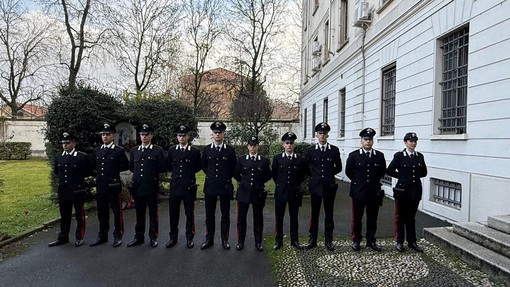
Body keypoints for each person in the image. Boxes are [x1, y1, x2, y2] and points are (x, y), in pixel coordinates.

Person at [345, 128, 387, 251]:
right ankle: (356, 240)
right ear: (361, 141)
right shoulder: (354, 156)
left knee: (372, 218)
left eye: (370, 139)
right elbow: (349, 172)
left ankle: (371, 240)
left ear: (373, 141)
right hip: (359, 192)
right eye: (365, 139)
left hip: (373, 192)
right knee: (357, 218)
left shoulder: (379, 156)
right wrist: (359, 183)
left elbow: (382, 172)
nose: (368, 141)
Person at [127, 124, 167, 248]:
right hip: (138, 186)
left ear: (151, 136)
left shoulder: (157, 150)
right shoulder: (134, 151)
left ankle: (153, 237)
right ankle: (138, 236)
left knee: (153, 213)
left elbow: (162, 167)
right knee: (139, 213)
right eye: (142, 135)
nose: (144, 137)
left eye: (146, 134)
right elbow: (132, 167)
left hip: (151, 186)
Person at [387, 132, 428, 253]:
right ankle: (400, 241)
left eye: (415, 141)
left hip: (415, 191)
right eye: (410, 141)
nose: (413, 143)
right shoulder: (399, 155)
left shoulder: (419, 156)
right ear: (405, 142)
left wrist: (411, 177)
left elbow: (424, 172)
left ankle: (412, 241)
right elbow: (389, 170)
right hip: (402, 191)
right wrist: (402, 177)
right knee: (400, 217)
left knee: (411, 218)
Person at [49, 132, 92, 247]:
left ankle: (79, 236)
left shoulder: (81, 157)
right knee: (64, 215)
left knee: (79, 215)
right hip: (64, 189)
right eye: (63, 143)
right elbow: (57, 172)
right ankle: (63, 237)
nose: (65, 145)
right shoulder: (59, 157)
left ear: (74, 143)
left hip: (77, 189)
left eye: (67, 143)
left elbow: (88, 171)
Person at [304, 122, 342, 251]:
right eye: (320, 133)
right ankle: (312, 239)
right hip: (315, 187)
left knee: (329, 214)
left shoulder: (334, 150)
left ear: (327, 135)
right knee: (314, 214)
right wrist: (315, 176)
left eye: (324, 133)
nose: (322, 135)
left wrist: (328, 175)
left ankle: (328, 240)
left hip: (329, 186)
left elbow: (339, 167)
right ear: (316, 135)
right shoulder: (310, 150)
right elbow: (306, 167)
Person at [90, 123, 129, 248]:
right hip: (101, 185)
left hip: (113, 185)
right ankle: (102, 235)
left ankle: (118, 235)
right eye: (103, 135)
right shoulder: (97, 150)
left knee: (117, 212)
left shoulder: (118, 150)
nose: (105, 137)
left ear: (113, 135)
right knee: (102, 212)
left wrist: (113, 171)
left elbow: (125, 165)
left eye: (107, 134)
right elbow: (94, 166)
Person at [200, 121, 237, 250]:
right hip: (210, 186)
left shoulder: (230, 150)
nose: (217, 134)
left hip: (225, 186)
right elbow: (204, 167)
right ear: (212, 134)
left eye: (220, 132)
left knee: (225, 215)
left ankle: (224, 240)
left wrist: (225, 178)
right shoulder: (207, 149)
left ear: (223, 134)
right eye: (215, 132)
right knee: (209, 215)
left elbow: (234, 168)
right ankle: (209, 239)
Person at [165, 125, 201, 249]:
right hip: (175, 186)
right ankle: (172, 237)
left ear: (188, 137)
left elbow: (198, 167)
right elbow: (169, 165)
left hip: (188, 186)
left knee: (189, 214)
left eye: (184, 135)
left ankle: (189, 238)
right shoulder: (172, 150)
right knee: (173, 214)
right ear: (177, 137)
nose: (181, 138)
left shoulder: (194, 152)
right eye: (179, 135)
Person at [233, 136, 272, 251]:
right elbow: (236, 173)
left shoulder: (263, 161)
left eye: (254, 145)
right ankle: (240, 241)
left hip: (257, 193)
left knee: (258, 219)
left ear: (258, 146)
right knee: (241, 219)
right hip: (244, 193)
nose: (252, 147)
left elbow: (268, 175)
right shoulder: (242, 159)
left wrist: (259, 182)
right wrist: (244, 182)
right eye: (250, 145)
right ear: (247, 146)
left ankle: (258, 242)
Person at [272, 131, 307, 250]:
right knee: (279, 218)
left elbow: (302, 175)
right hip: (281, 192)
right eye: (287, 143)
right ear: (283, 145)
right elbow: (275, 175)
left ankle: (294, 240)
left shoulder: (300, 160)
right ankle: (279, 241)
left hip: (294, 192)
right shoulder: (277, 159)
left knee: (294, 218)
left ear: (294, 145)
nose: (289, 145)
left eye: (291, 143)